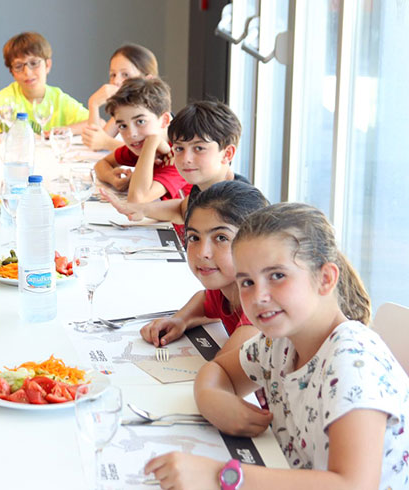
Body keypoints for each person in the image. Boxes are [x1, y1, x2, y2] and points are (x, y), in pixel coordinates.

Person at [145, 203, 409, 489]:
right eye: (246, 281)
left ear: (325, 278)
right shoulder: (280, 340)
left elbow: (353, 485)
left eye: (277, 276)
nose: (258, 296)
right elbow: (220, 369)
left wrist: (220, 475)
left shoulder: (353, 363)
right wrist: (211, 397)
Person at [140, 181, 268, 355]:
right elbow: (205, 299)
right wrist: (180, 319)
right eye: (194, 238)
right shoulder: (227, 289)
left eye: (221, 238)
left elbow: (222, 373)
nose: (203, 253)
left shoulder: (260, 309)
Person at [103, 100, 247, 223]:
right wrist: (141, 209)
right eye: (179, 149)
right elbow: (181, 209)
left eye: (199, 148)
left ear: (227, 154)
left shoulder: (237, 205)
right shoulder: (206, 187)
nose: (186, 159)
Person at [94, 77, 189, 203]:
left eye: (140, 122)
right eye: (123, 126)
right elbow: (101, 164)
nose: (131, 134)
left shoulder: (181, 156)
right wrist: (112, 178)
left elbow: (137, 201)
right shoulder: (140, 143)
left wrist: (152, 142)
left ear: (165, 120)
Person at [0, 31, 90, 133]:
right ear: (12, 72)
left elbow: (96, 122)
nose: (27, 72)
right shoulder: (9, 97)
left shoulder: (59, 100)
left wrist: (66, 130)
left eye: (34, 63)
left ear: (47, 65)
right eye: (18, 66)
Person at [82, 43, 159, 152]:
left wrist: (107, 143)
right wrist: (93, 104)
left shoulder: (155, 112)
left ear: (148, 79)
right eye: (113, 75)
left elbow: (150, 153)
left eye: (125, 75)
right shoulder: (124, 111)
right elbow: (95, 142)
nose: (116, 81)